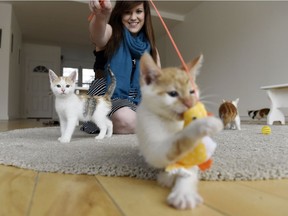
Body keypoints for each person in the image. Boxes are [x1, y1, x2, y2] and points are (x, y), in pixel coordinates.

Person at [81, 0, 161, 134]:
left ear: (145, 14)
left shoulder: (151, 49)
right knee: (125, 119)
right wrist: (101, 17)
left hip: (138, 100)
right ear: (120, 14)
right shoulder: (112, 32)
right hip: (107, 95)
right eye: (127, 12)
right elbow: (98, 36)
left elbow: (157, 83)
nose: (133, 17)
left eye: (139, 11)